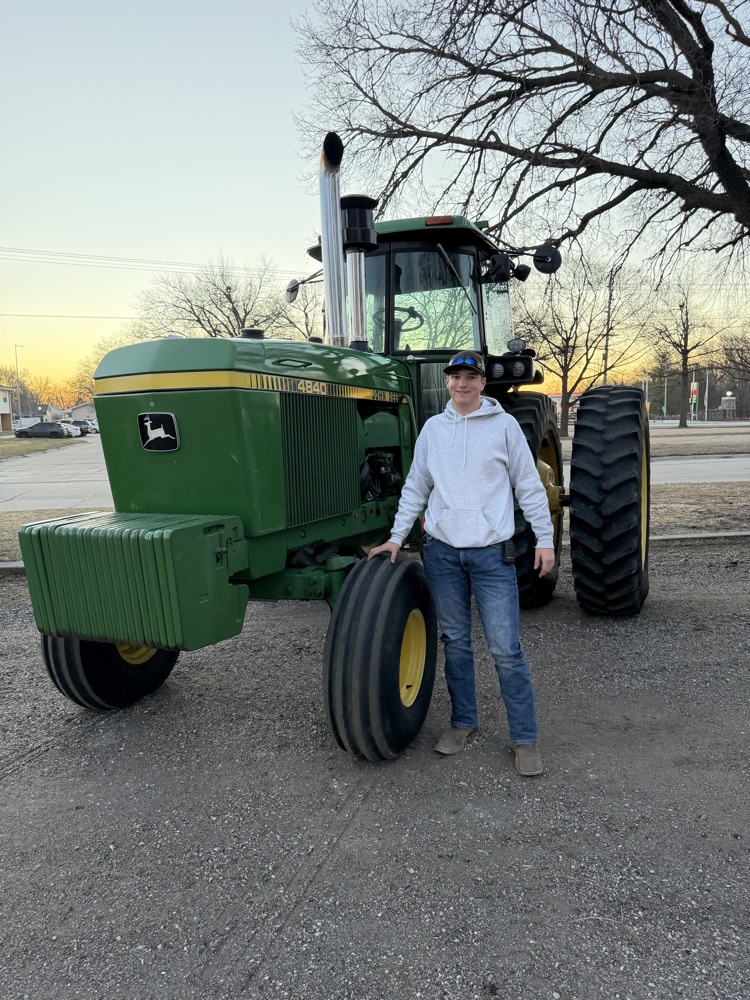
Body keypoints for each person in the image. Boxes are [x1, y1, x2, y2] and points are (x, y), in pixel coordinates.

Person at [368, 350, 555, 776]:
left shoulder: (505, 427)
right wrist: (397, 538)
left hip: (492, 555)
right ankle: (463, 722)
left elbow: (528, 486)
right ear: (447, 383)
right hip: (443, 553)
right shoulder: (433, 429)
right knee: (455, 642)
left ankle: (524, 738)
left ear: (482, 383)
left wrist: (544, 539)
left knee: (505, 649)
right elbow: (416, 487)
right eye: (456, 377)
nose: (463, 383)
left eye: (471, 376)